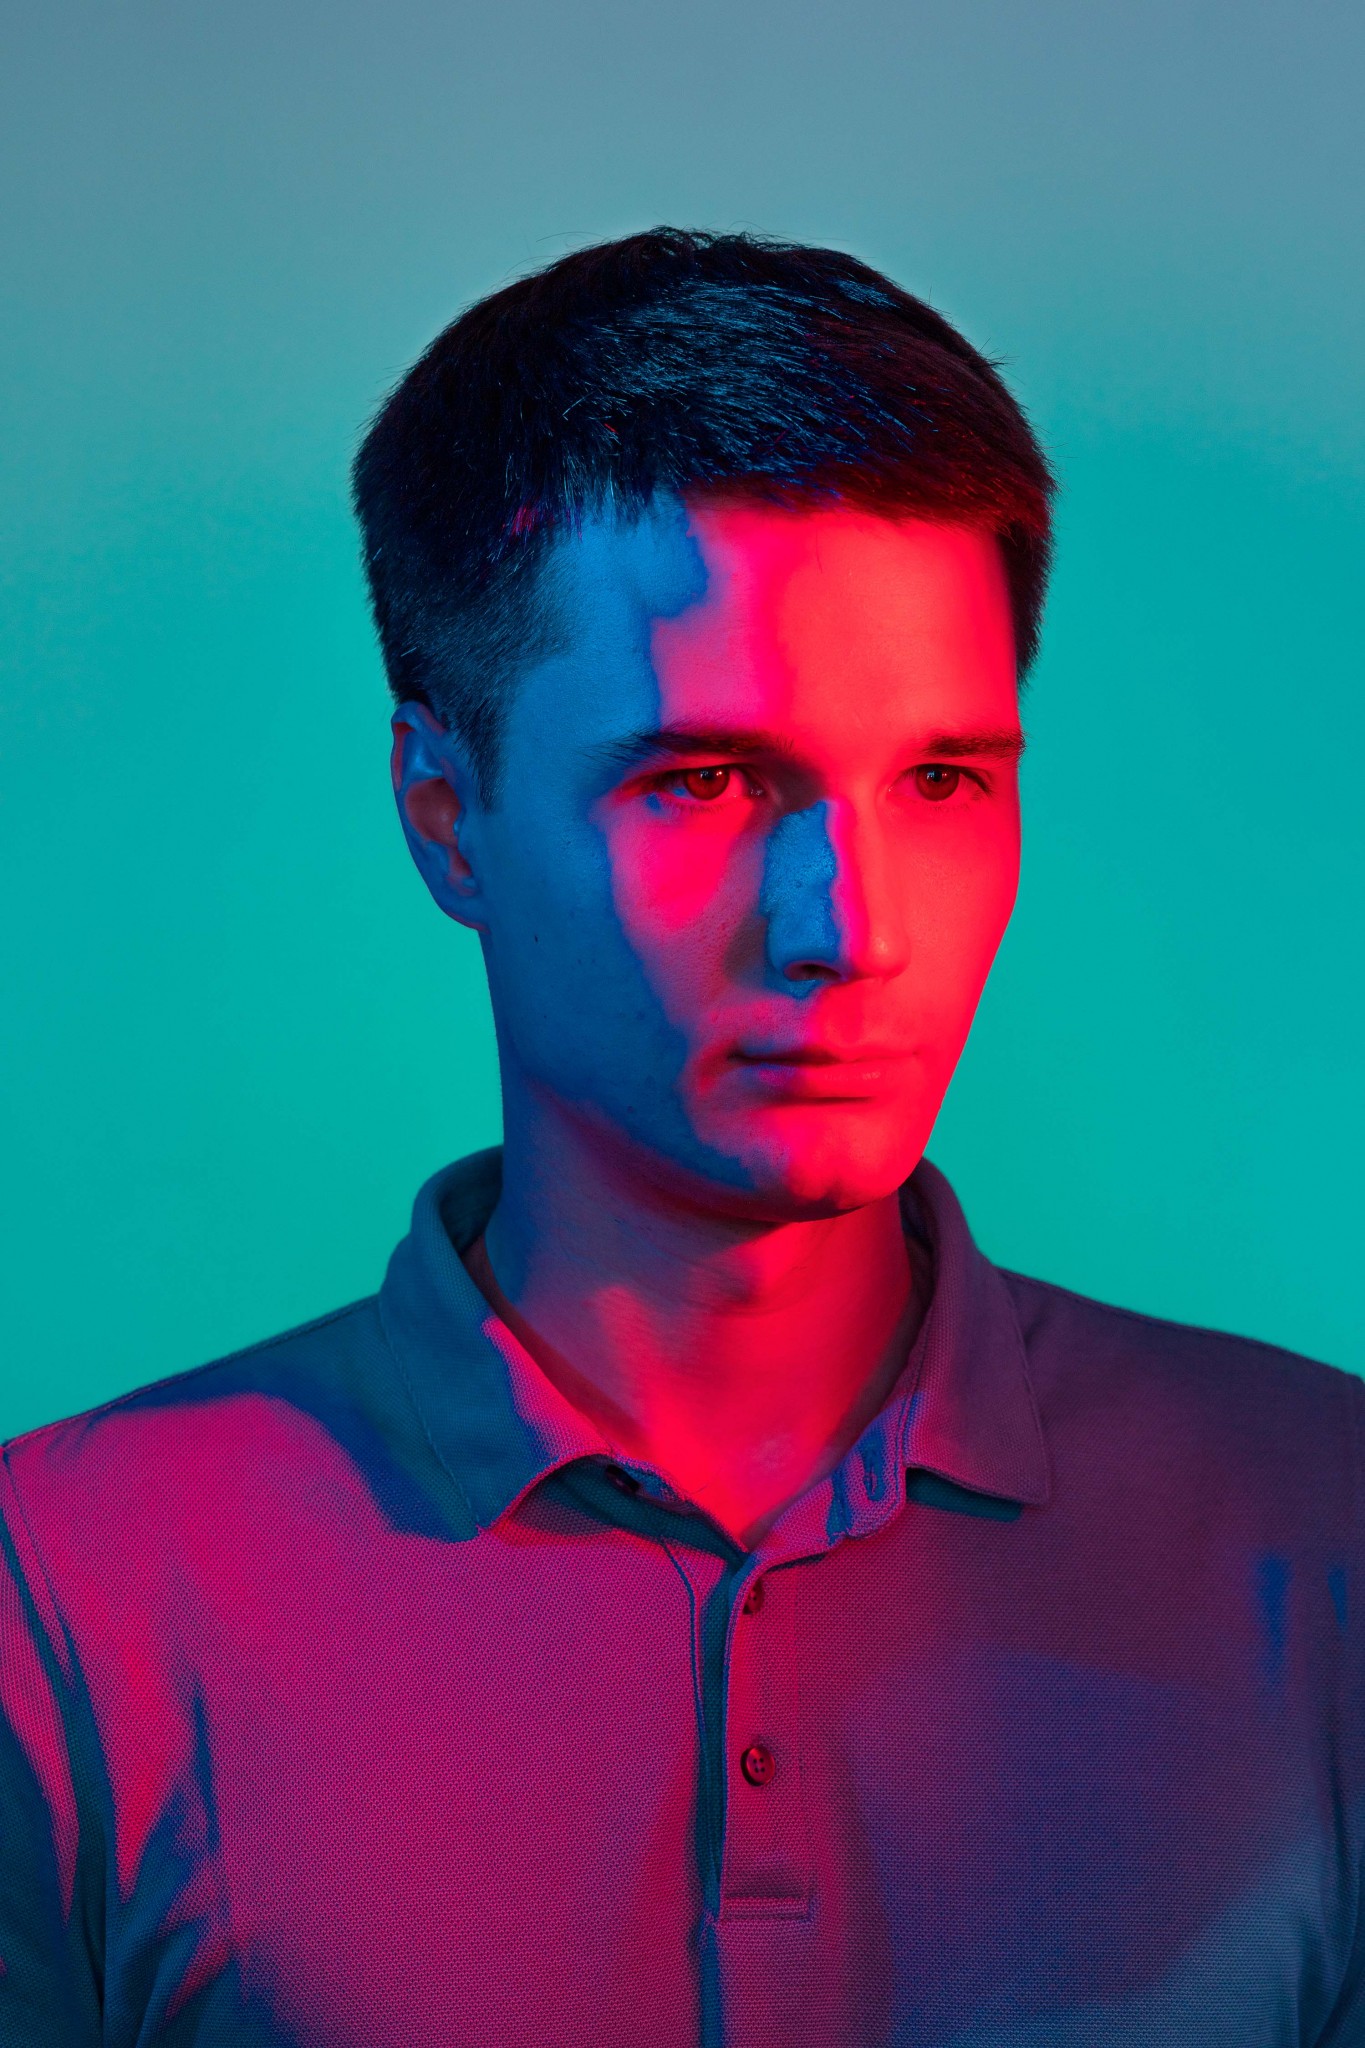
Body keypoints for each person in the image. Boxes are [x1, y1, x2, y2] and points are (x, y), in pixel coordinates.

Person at [1, 229, 1360, 2048]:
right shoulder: (59, 1595)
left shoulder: (1325, 1525)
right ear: (444, 811)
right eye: (704, 781)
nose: (848, 927)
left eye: (940, 780)